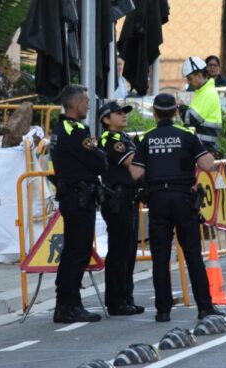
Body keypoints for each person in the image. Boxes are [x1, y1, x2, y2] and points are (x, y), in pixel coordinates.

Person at [128, 93, 223, 322]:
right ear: (174, 112)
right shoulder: (187, 136)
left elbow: (135, 172)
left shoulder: (147, 138)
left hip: (158, 200)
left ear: (154, 113)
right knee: (192, 254)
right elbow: (207, 164)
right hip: (183, 200)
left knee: (160, 257)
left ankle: (163, 311)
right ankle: (204, 307)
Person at [49, 84, 107, 323]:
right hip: (79, 197)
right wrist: (98, 156)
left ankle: (66, 304)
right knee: (77, 252)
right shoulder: (75, 130)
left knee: (75, 251)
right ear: (74, 105)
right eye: (85, 101)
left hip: (73, 196)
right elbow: (99, 162)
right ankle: (69, 305)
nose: (88, 105)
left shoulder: (60, 129)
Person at [97, 101, 144, 316]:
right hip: (117, 200)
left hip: (129, 198)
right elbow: (133, 162)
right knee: (119, 251)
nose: (123, 116)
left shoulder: (124, 138)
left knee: (129, 251)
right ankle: (116, 301)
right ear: (106, 119)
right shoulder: (110, 139)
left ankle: (127, 297)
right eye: (118, 113)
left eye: (124, 112)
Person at [178, 56, 223, 155]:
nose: (188, 82)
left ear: (199, 75)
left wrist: (181, 107)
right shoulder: (201, 92)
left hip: (204, 151)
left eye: (190, 78)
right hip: (202, 148)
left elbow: (191, 119)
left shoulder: (207, 94)